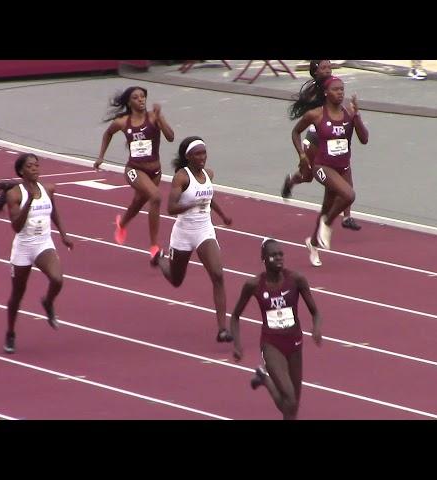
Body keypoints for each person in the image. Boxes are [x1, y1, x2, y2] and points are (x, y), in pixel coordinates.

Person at [0, 153, 74, 354]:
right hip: (24, 247)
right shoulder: (15, 195)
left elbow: (54, 212)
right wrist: (29, 203)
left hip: (43, 244)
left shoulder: (48, 189)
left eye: (37, 165)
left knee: (57, 279)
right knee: (17, 295)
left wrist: (63, 234)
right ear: (21, 171)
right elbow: (17, 227)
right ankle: (10, 332)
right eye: (30, 166)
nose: (35, 168)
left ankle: (48, 302)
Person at [151, 136, 234, 342]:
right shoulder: (181, 177)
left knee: (218, 274)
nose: (202, 157)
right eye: (197, 154)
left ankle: (222, 329)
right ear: (188, 156)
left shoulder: (209, 174)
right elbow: (171, 208)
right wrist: (191, 204)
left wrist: (223, 215)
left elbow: (209, 196)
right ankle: (160, 259)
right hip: (183, 232)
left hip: (204, 230)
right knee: (176, 280)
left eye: (204, 153)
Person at [229, 238, 322, 420]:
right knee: (290, 398)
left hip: (295, 342)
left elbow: (315, 312)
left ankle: (264, 378)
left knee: (292, 406)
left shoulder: (296, 280)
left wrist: (316, 328)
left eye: (281, 254)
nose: (279, 258)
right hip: (272, 344)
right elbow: (235, 316)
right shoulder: (254, 285)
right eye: (273, 255)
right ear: (264, 258)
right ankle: (265, 376)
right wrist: (238, 345)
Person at [291, 76, 369, 266]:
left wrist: (357, 115)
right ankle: (327, 224)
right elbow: (295, 132)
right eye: (335, 89)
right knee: (349, 195)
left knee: (327, 207)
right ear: (326, 93)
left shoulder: (349, 114)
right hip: (322, 167)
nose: (340, 92)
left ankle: (313, 244)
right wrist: (302, 154)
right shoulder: (316, 114)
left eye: (342, 89)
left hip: (343, 168)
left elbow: (364, 139)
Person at [94, 86, 175, 261]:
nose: (141, 100)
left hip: (155, 171)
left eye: (143, 96)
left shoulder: (154, 117)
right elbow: (107, 134)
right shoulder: (122, 122)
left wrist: (160, 117)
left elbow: (171, 137)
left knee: (138, 203)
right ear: (129, 102)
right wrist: (101, 157)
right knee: (156, 197)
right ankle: (154, 247)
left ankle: (122, 223)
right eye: (136, 97)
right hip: (134, 170)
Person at [282, 60, 361, 231]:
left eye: (329, 67)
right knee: (308, 176)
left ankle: (347, 217)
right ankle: (291, 181)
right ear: (315, 72)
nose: (327, 70)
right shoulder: (314, 92)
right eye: (323, 68)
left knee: (345, 172)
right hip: (314, 141)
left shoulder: (335, 86)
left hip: (335, 142)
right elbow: (308, 118)